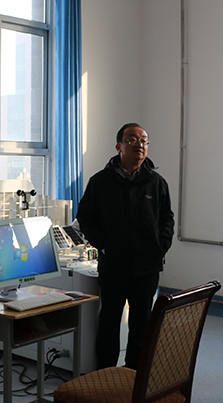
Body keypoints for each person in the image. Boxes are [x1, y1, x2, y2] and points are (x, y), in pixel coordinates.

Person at [76, 123, 174, 369]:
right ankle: (105, 374)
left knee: (142, 325)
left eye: (144, 140)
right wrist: (103, 245)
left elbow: (167, 219)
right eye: (132, 139)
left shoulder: (156, 182)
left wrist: (160, 246)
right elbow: (85, 217)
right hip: (114, 266)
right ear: (118, 146)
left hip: (147, 268)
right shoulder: (101, 181)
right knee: (109, 323)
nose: (139, 144)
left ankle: (133, 376)